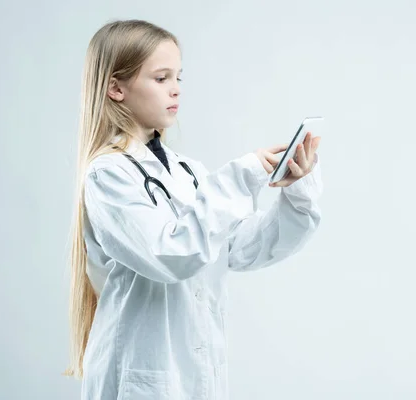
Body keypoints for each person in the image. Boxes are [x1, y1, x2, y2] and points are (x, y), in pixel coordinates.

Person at [64, 19, 323, 400]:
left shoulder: (187, 172)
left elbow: (241, 248)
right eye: (161, 78)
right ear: (116, 88)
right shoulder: (107, 177)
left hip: (194, 377)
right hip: (140, 379)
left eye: (178, 78)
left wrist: (297, 193)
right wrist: (241, 175)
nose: (175, 90)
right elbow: (171, 255)